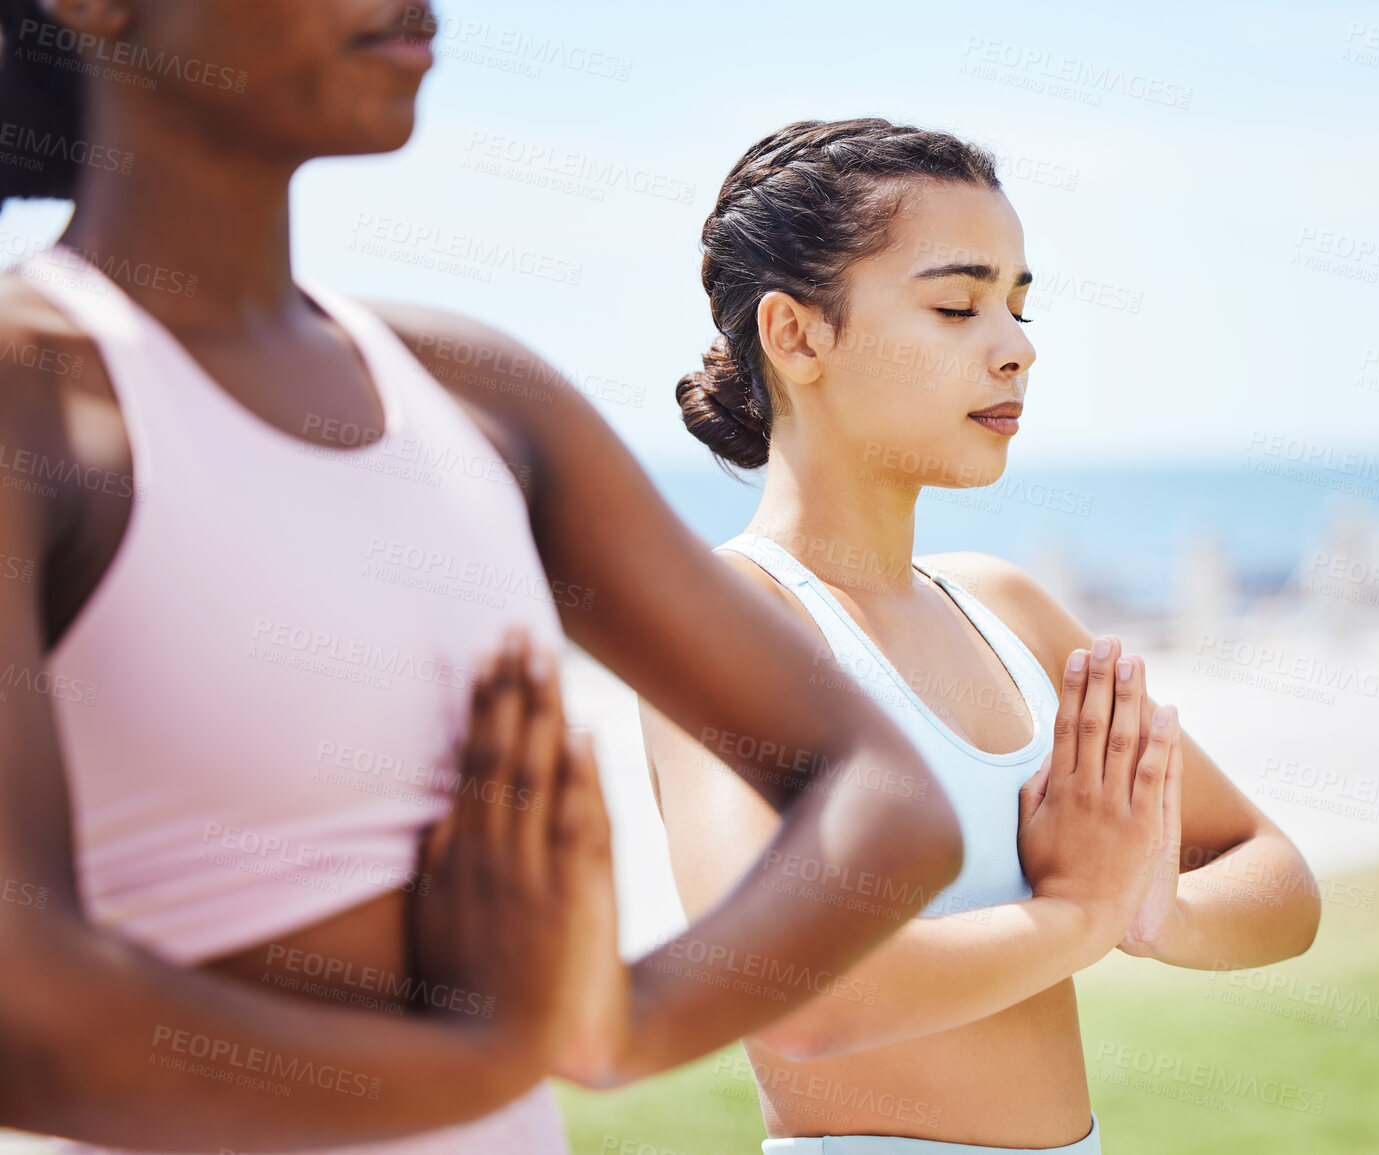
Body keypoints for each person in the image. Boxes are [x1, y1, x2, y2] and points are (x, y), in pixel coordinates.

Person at [0, 8, 965, 1153]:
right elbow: (34, 1029)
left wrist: (621, 1028)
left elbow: (885, 799)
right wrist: (481, 1060)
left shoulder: (477, 396)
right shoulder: (34, 396)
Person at [642, 118, 1322, 1153]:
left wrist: (1154, 913)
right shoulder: (728, 624)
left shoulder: (1004, 609)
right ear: (796, 335)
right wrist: (1079, 913)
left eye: (1017, 303)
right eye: (958, 305)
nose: (1017, 346)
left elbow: (1273, 875)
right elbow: (792, 996)